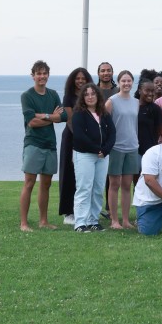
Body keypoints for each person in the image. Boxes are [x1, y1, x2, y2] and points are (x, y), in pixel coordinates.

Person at [19, 60, 65, 231]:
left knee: (46, 184)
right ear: (33, 76)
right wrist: (51, 116)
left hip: (50, 144)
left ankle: (43, 221)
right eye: (38, 73)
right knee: (29, 183)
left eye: (44, 73)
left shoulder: (53, 94)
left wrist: (43, 116)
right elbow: (31, 122)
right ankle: (24, 223)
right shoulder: (27, 96)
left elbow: (63, 117)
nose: (42, 76)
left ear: (48, 75)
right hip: (33, 144)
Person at [70, 84, 116, 232]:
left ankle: (93, 221)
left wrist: (105, 150)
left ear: (98, 95)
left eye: (93, 94)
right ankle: (80, 223)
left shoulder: (104, 113)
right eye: (86, 94)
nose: (90, 97)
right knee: (84, 188)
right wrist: (97, 149)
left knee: (98, 189)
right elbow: (80, 136)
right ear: (82, 98)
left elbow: (112, 133)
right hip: (84, 155)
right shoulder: (79, 114)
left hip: (102, 156)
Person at [58, 66, 93, 225]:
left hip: (89, 139)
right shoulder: (68, 96)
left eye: (83, 79)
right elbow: (70, 120)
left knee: (85, 176)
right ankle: (69, 212)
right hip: (72, 138)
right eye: (77, 78)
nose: (80, 81)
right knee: (69, 174)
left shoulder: (90, 96)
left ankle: (85, 210)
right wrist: (81, 137)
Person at [105, 69, 139, 229]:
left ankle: (125, 220)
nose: (126, 83)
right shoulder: (111, 101)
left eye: (129, 80)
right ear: (118, 83)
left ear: (132, 82)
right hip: (116, 148)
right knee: (114, 184)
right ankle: (114, 220)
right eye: (123, 81)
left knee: (127, 185)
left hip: (132, 147)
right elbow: (104, 125)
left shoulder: (136, 102)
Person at [136, 79, 162, 163]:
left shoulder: (156, 109)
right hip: (133, 150)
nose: (150, 93)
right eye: (147, 91)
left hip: (150, 151)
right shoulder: (133, 106)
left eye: (152, 91)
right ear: (140, 91)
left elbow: (159, 130)